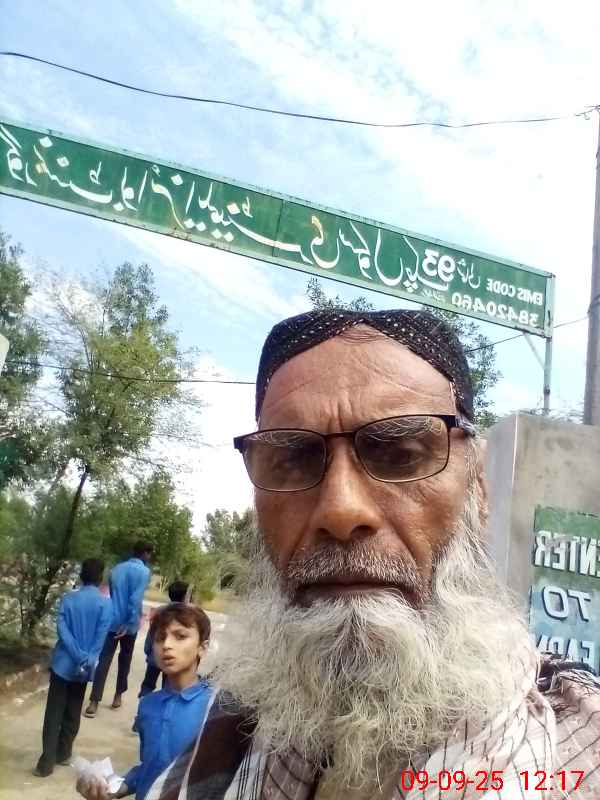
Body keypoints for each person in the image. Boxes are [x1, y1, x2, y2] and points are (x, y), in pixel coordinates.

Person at [140, 309, 600, 800]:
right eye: (292, 458)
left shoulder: (580, 745)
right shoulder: (234, 725)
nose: (340, 510)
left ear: (478, 487)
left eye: (401, 454)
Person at [76, 602, 214, 800]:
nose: (167, 645)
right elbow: (149, 768)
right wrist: (113, 788)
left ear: (203, 647)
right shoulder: (149, 706)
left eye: (180, 636)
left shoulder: (216, 707)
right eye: (160, 638)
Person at [34, 558, 112, 777]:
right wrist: (86, 658)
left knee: (54, 712)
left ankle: (45, 763)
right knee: (74, 709)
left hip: (63, 664)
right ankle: (63, 752)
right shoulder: (106, 605)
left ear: (81, 576)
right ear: (100, 578)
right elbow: (100, 637)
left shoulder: (68, 599)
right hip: (84, 668)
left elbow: (62, 630)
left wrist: (76, 653)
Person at [85, 541, 153, 718]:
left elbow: (113, 595)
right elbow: (135, 599)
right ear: (145, 553)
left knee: (104, 660)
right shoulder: (144, 571)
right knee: (125, 659)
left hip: (111, 620)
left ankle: (94, 701)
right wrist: (129, 622)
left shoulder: (116, 569)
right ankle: (118, 696)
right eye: (149, 554)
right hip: (129, 624)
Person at [138, 580, 189, 698]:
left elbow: (151, 633)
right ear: (185, 596)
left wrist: (148, 650)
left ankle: (143, 703)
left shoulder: (159, 611)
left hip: (155, 656)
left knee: (148, 685)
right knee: (168, 688)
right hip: (173, 658)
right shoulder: (186, 615)